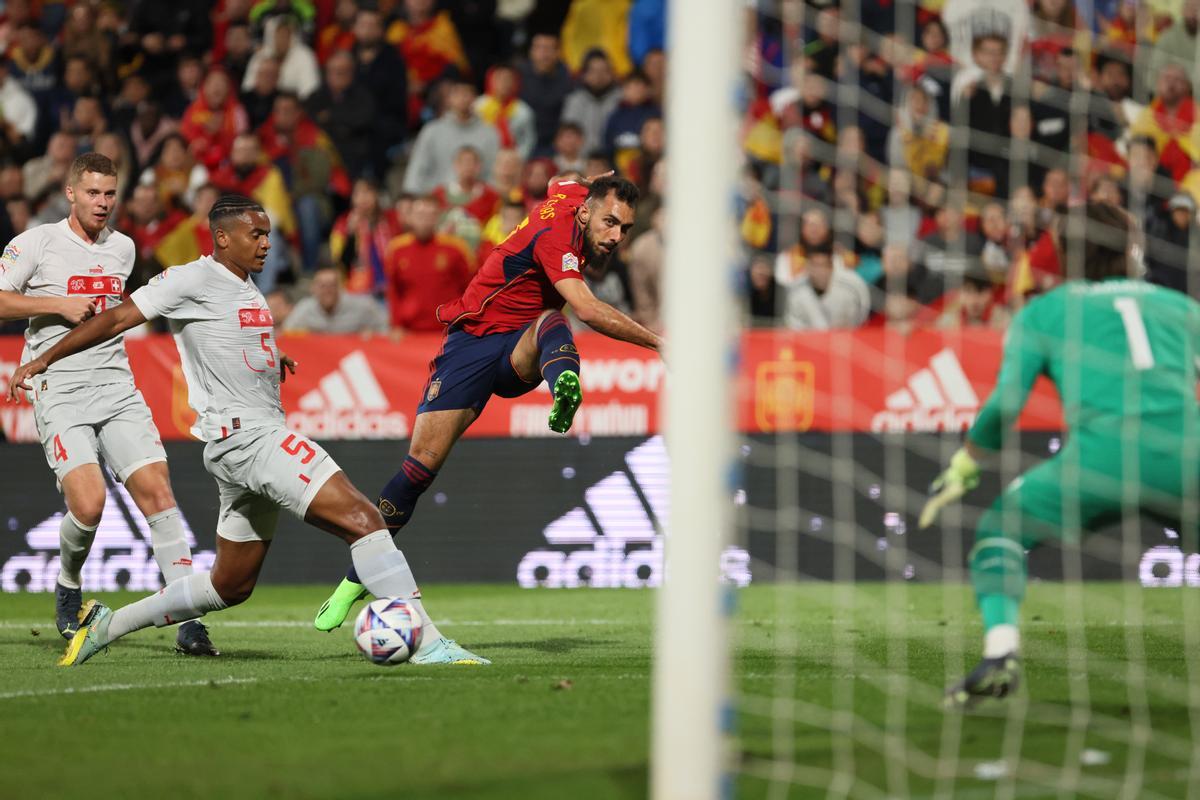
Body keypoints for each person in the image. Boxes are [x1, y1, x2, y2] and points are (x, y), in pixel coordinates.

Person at [10, 195, 488, 667]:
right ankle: (427, 643)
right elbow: (117, 317)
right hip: (250, 439)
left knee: (229, 586)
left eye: (267, 235)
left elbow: (223, 338)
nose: (265, 244)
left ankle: (106, 627)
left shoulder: (245, 285)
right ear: (222, 238)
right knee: (365, 520)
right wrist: (45, 356)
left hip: (239, 445)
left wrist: (268, 359)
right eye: (254, 234)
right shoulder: (191, 277)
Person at [312, 174, 663, 631]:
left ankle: (564, 382)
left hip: (518, 349)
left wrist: (592, 180)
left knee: (549, 320)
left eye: (626, 228)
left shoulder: (572, 196)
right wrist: (659, 343)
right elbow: (592, 310)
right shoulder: (557, 237)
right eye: (610, 223)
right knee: (417, 469)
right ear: (585, 212)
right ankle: (349, 586)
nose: (616, 236)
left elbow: (561, 179)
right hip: (471, 343)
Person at [920, 202, 1200, 706]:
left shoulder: (1045, 311)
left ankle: (1001, 651)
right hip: (1187, 456)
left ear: (1066, 252)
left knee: (1000, 530)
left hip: (1098, 462)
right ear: (1132, 250)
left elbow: (1006, 405)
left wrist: (966, 463)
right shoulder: (1180, 306)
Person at [0, 153, 216, 655]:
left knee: (159, 494)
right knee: (90, 504)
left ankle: (187, 617)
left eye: (109, 193)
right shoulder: (35, 243)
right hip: (61, 390)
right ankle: (69, 585)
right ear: (71, 193)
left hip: (118, 389)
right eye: (93, 193)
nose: (102, 203)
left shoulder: (124, 248)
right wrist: (54, 303)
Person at [282, 266, 389, 334]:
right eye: (322, 286)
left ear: (340, 288)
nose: (327, 290)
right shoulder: (305, 308)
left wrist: (372, 335)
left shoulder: (362, 305)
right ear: (313, 289)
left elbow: (386, 327)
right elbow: (286, 334)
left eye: (332, 285)